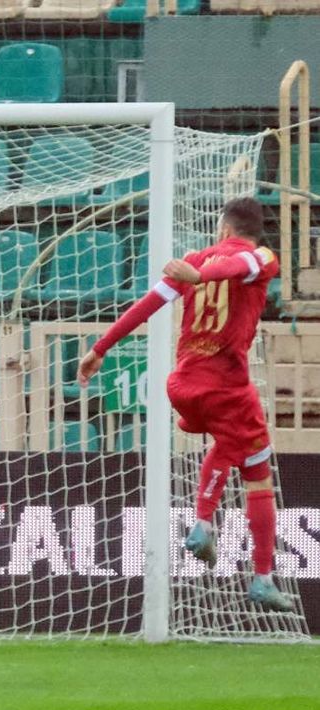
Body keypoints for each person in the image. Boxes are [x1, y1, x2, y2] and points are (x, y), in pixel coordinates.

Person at [78, 197, 292, 612]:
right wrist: (200, 274)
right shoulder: (261, 256)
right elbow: (242, 266)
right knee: (258, 470)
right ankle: (259, 573)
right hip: (226, 386)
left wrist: (100, 347)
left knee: (232, 447)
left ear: (223, 229)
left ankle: (202, 525)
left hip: (181, 386)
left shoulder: (197, 259)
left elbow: (147, 306)